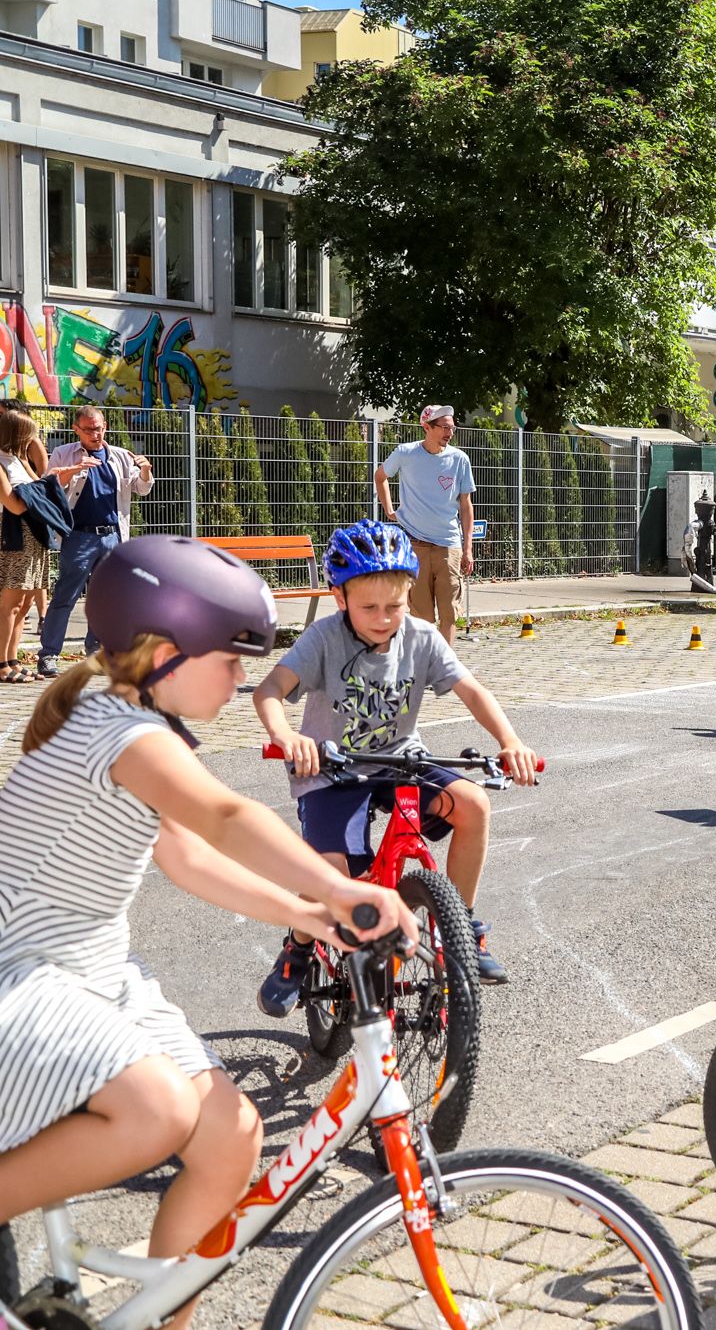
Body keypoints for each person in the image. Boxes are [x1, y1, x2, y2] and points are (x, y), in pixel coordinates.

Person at [0, 537, 414, 1330]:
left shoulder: (139, 721)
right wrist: (336, 884)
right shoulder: (117, 731)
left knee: (232, 1135)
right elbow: (225, 818)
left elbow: (185, 857)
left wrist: (309, 914)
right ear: (161, 653)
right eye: (230, 659)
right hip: (23, 970)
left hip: (94, 965)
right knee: (154, 1109)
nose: (241, 676)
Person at [252, 520, 539, 1010]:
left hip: (401, 761)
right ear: (340, 598)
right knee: (331, 873)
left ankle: (460, 926)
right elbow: (269, 691)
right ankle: (298, 949)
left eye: (395, 606)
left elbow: (473, 690)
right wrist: (287, 736)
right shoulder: (323, 638)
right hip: (333, 770)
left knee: (472, 804)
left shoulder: (422, 636)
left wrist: (510, 741)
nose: (384, 618)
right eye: (369, 608)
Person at [38, 406, 153, 677]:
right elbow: (48, 487)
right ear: (76, 429)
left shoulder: (121, 456)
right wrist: (75, 468)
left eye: (99, 428)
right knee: (66, 596)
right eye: (88, 429)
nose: (95, 434)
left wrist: (146, 471)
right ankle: (49, 655)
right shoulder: (63, 453)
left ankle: (97, 651)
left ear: (106, 427)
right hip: (78, 536)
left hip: (113, 536)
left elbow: (142, 489)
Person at [375, 404, 476, 644]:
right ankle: (422, 666)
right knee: (422, 616)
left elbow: (466, 505)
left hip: (449, 547)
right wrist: (389, 510)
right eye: (444, 428)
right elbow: (380, 477)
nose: (449, 433)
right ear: (426, 427)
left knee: (449, 613)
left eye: (452, 428)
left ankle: (445, 671)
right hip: (415, 546)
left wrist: (468, 548)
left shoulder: (460, 459)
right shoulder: (405, 453)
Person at [0, 405, 52, 683]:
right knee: (11, 601)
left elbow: (42, 485)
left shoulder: (18, 460)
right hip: (12, 532)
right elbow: (15, 505)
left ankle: (13, 659)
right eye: (30, 434)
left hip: (32, 534)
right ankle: (2, 664)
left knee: (25, 601)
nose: (34, 440)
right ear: (18, 433)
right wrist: (38, 496)